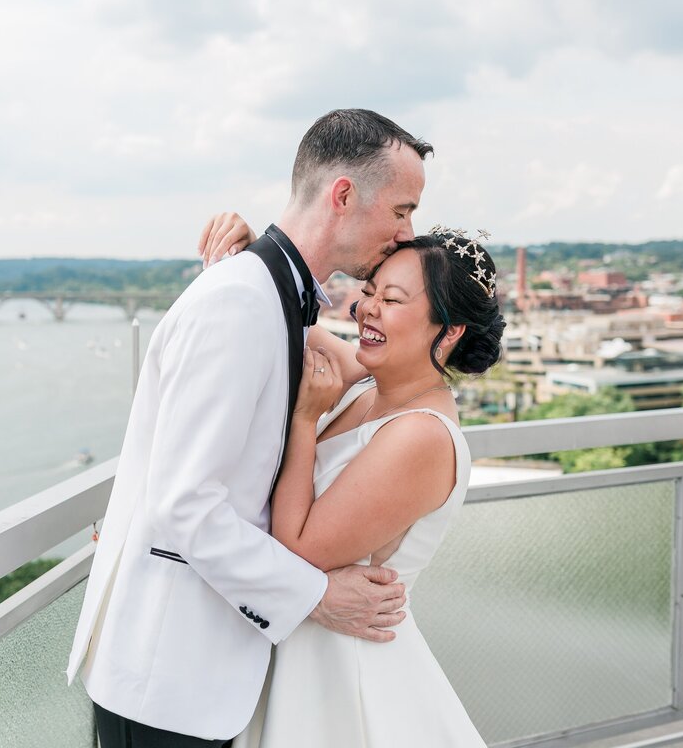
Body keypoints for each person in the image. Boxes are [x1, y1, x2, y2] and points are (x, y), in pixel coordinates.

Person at [66, 109, 435, 747]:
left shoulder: (265, 298)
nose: (407, 233)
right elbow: (185, 505)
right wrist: (317, 595)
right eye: (402, 210)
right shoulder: (240, 302)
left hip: (202, 678)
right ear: (344, 195)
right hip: (167, 683)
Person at [212, 219, 506, 747]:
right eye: (369, 291)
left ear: (451, 329)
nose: (366, 308)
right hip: (297, 644)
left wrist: (305, 420)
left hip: (343, 672)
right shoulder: (369, 382)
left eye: (391, 300)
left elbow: (297, 547)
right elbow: (279, 316)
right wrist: (243, 259)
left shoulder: (421, 436)